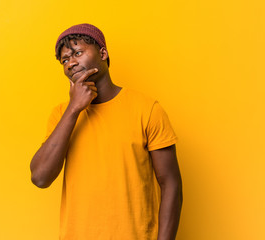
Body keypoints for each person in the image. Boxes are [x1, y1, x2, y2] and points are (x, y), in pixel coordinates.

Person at [30, 23, 183, 240]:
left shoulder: (147, 109)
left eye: (77, 52)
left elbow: (171, 185)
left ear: (103, 53)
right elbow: (40, 177)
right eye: (64, 60)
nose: (71, 63)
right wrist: (74, 109)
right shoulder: (61, 114)